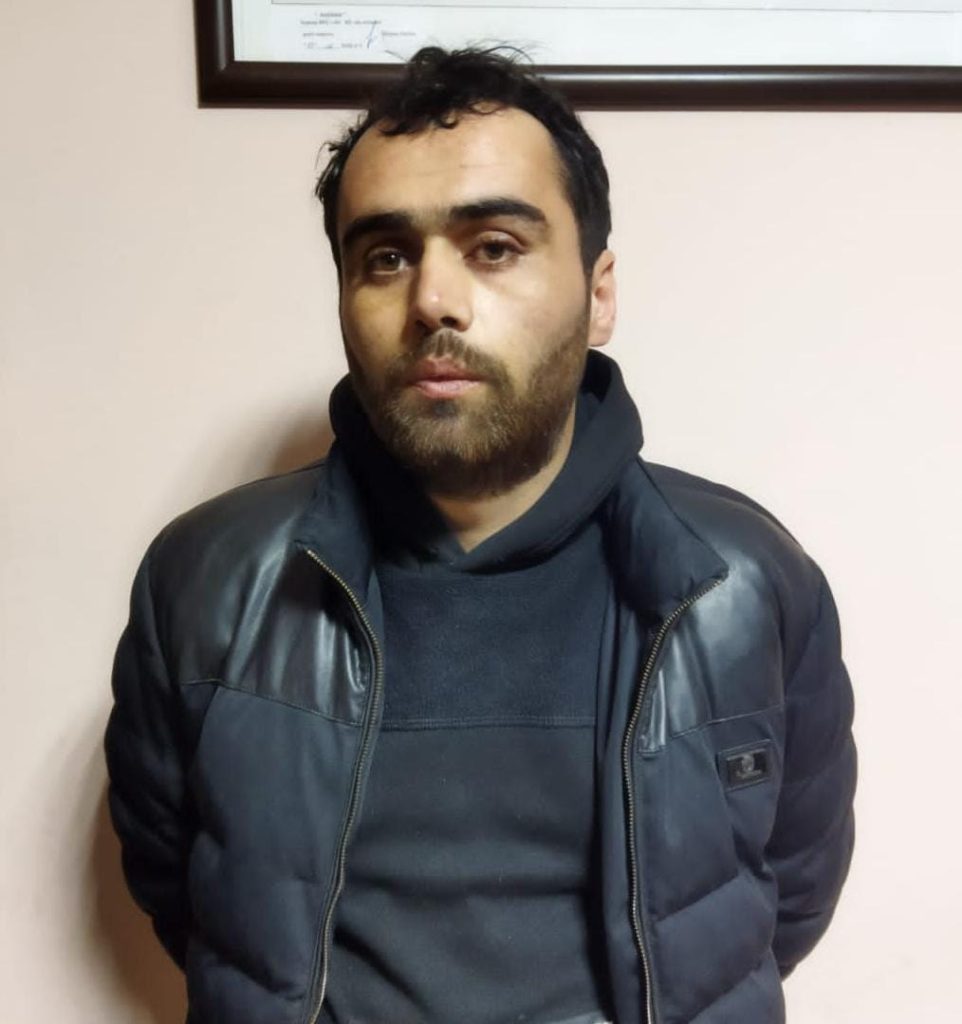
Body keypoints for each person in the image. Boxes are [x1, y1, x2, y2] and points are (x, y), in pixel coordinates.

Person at [104, 46, 856, 1024]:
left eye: (493, 246)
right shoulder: (206, 583)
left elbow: (778, 898)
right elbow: (196, 906)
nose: (432, 300)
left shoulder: (744, 584)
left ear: (598, 293)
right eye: (384, 257)